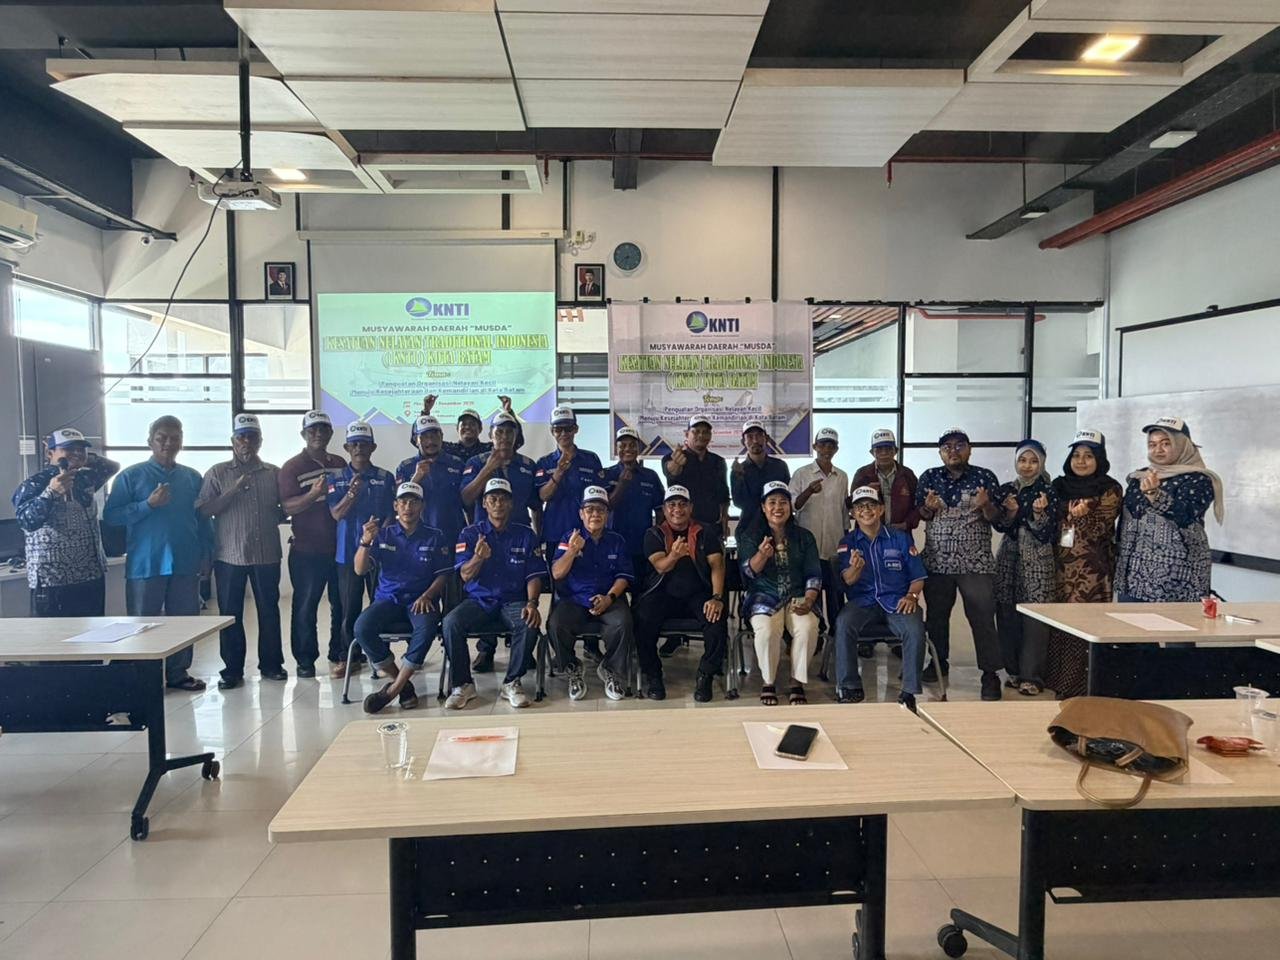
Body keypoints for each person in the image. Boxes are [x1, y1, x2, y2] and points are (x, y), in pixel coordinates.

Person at [104, 415, 212, 691]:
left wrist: (206, 554)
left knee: (184, 623)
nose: (168, 443)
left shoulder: (192, 477)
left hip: (185, 561)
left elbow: (202, 519)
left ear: (181, 442)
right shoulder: (130, 476)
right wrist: (148, 505)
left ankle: (178, 674)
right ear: (150, 441)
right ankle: (144, 679)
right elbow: (112, 516)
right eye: (161, 438)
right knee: (143, 624)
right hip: (146, 564)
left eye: (174, 438)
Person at [914, 428, 1005, 701]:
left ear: (969, 449)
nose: (953, 451)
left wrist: (986, 505)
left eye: (959, 446)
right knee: (937, 618)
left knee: (982, 618)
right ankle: (938, 663)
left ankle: (990, 675)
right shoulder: (929, 477)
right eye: (947, 447)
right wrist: (928, 508)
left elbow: (997, 519)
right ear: (940, 452)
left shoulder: (985, 477)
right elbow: (922, 514)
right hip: (938, 562)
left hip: (975, 563)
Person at [197, 414, 286, 689]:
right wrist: (233, 490)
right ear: (233, 441)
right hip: (229, 556)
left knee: (269, 611)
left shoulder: (273, 473)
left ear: (260, 441)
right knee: (230, 614)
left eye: (252, 436)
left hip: (266, 554)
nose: (246, 441)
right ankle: (232, 670)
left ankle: (271, 665)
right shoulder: (217, 473)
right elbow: (204, 510)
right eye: (241, 437)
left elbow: (284, 510)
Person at [443, 478, 545, 710]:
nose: (498, 503)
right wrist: (478, 558)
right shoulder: (470, 534)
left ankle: (512, 682)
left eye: (503, 499)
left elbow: (534, 575)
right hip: (479, 600)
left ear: (511, 504)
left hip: (513, 601)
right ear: (484, 504)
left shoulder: (526, 534)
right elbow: (464, 575)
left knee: (528, 622)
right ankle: (463, 684)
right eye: (492, 499)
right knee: (450, 623)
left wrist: (532, 603)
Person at [354, 482, 453, 714]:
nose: (408, 507)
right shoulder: (383, 535)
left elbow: (443, 575)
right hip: (388, 599)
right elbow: (359, 569)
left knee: (426, 629)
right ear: (395, 506)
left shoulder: (435, 536)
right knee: (361, 627)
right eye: (403, 502)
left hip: (421, 600)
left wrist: (428, 595)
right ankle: (402, 685)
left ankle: (391, 691)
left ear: (422, 506)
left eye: (414, 502)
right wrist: (365, 541)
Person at [1043, 429, 1123, 699]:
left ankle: (1081, 687)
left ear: (1099, 459)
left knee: (1084, 626)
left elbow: (1101, 528)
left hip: (1092, 571)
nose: (1081, 461)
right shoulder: (1059, 486)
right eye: (1076, 455)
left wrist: (1083, 515)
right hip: (1059, 567)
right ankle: (1058, 682)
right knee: (1059, 624)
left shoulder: (1110, 488)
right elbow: (1049, 523)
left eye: (1089, 456)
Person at [460, 411, 540, 673]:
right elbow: (466, 498)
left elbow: (535, 504)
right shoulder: (476, 461)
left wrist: (538, 536)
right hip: (486, 537)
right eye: (499, 431)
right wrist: (488, 469)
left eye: (509, 431)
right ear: (490, 435)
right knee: (487, 588)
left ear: (517, 435)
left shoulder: (527, 464)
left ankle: (522, 649)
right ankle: (486, 650)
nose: (504, 436)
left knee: (516, 592)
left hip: (519, 536)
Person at [632, 485, 729, 702]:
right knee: (642, 618)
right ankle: (653, 675)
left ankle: (705, 674)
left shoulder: (705, 532)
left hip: (697, 594)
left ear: (691, 507)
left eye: (683, 504)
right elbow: (660, 566)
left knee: (716, 618)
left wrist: (716, 598)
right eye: (672, 505)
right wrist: (674, 556)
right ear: (664, 509)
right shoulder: (654, 534)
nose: (677, 509)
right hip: (661, 594)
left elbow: (717, 565)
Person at [834, 486, 927, 710]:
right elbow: (848, 580)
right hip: (863, 603)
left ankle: (909, 691)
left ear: (881, 509)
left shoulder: (900, 539)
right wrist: (856, 568)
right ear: (853, 514)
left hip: (898, 601)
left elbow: (918, 577)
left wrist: (912, 596)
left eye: (871, 505)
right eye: (859, 507)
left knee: (914, 628)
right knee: (844, 623)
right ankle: (849, 685)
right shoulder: (848, 542)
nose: (866, 511)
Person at [12, 427, 119, 616]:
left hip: (90, 575)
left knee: (94, 632)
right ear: (50, 453)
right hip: (53, 580)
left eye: (81, 449)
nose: (76, 453)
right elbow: (26, 521)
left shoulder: (85, 478)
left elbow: (111, 466)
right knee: (54, 634)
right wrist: (50, 493)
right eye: (68, 449)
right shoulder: (34, 484)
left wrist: (83, 459)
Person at [1115, 416, 1223, 603]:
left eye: (1166, 443)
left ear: (1182, 445)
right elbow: (1126, 519)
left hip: (1176, 580)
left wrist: (1155, 495)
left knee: (1170, 623)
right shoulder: (1139, 477)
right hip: (1132, 577)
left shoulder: (1198, 479)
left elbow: (1185, 515)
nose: (1158, 450)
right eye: (1152, 444)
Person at [739, 481, 821, 706]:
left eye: (783, 502)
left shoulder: (804, 537)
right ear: (763, 507)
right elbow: (747, 572)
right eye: (772, 502)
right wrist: (762, 556)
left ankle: (797, 682)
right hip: (763, 597)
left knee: (807, 626)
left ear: (790, 506)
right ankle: (768, 682)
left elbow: (813, 573)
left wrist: (809, 600)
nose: (778, 507)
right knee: (766, 630)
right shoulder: (750, 536)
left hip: (798, 596)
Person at [548, 486, 634, 701]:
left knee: (623, 623)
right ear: (581, 514)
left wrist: (609, 598)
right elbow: (557, 573)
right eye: (590, 509)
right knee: (556, 624)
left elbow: (624, 576)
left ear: (607, 514)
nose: (595, 514)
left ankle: (611, 670)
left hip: (609, 598)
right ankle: (572, 667)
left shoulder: (617, 540)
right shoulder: (569, 537)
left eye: (601, 510)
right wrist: (572, 551)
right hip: (575, 599)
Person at [279, 410, 347, 678]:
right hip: (307, 551)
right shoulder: (292, 467)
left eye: (323, 429)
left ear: (330, 433)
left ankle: (339, 652)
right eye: (312, 430)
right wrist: (313, 494)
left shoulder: (340, 462)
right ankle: (305, 660)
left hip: (339, 549)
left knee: (341, 604)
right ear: (303, 434)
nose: (318, 434)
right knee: (306, 606)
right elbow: (287, 507)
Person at [327, 421, 396, 677]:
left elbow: (392, 513)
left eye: (364, 444)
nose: (359, 449)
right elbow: (336, 514)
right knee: (349, 608)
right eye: (354, 444)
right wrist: (352, 494)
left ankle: (382, 657)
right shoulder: (335, 478)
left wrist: (380, 535)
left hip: (379, 554)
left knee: (381, 605)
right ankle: (350, 658)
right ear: (346, 447)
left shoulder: (385, 477)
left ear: (373, 447)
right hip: (347, 554)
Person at [991, 440, 1058, 697]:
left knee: (1035, 620)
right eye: (1022, 460)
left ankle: (1032, 677)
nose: (1027, 466)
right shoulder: (1008, 490)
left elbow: (1048, 532)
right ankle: (1014, 671)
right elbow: (1000, 525)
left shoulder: (1049, 491)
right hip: (1008, 557)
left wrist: (1038, 515)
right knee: (1006, 614)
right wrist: (1011, 512)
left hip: (1037, 559)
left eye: (1033, 461)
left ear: (1041, 463)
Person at [789, 427, 849, 634]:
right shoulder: (801, 473)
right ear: (815, 447)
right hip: (808, 547)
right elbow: (793, 506)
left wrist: (845, 540)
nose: (827, 449)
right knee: (810, 590)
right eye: (823, 445)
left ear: (836, 449)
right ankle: (816, 632)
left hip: (834, 544)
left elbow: (843, 511)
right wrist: (808, 491)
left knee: (835, 592)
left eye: (831, 445)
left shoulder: (842, 476)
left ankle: (837, 633)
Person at [535, 404, 604, 556]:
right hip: (555, 533)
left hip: (587, 532)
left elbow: (600, 498)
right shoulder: (544, 462)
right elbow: (543, 496)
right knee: (557, 571)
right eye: (558, 429)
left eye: (568, 429)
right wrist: (559, 471)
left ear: (576, 429)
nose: (563, 433)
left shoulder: (591, 459)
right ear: (552, 431)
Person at [396, 415, 466, 553]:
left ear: (442, 437)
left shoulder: (457, 464)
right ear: (416, 440)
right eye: (424, 437)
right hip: (418, 537)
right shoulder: (405, 467)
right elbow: (400, 504)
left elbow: (467, 500)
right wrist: (416, 478)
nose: (430, 441)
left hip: (452, 535)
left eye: (435, 436)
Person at [603, 426, 665, 574]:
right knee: (615, 585)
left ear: (639, 449)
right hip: (613, 545)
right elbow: (605, 508)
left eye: (632, 445)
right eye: (622, 445)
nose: (627, 449)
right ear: (616, 449)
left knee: (641, 586)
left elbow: (660, 510)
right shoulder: (607, 474)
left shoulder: (651, 476)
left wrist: (657, 538)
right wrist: (621, 485)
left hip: (642, 546)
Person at [661, 415, 729, 537]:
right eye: (696, 431)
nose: (701, 435)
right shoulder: (672, 458)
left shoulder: (718, 461)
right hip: (682, 529)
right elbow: (671, 471)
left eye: (705, 432)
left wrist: (725, 519)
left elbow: (724, 495)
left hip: (712, 528)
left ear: (710, 435)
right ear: (687, 434)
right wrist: (676, 463)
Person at [850, 429, 920, 533]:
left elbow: (918, 504)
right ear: (872, 453)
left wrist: (906, 524)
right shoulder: (862, 474)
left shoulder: (907, 474)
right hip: (868, 534)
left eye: (888, 449)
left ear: (895, 451)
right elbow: (851, 505)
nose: (884, 453)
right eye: (879, 450)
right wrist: (864, 492)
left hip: (901, 534)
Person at [731, 420, 790, 538]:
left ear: (766, 438)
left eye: (759, 436)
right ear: (743, 442)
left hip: (778, 528)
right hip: (748, 529)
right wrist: (739, 479)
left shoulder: (780, 466)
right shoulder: (738, 469)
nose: (755, 441)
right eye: (750, 437)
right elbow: (738, 502)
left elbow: (787, 500)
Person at [420, 394, 524, 459]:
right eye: (464, 424)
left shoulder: (489, 449)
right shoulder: (447, 449)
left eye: (472, 424)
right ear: (457, 428)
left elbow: (517, 442)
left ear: (480, 429)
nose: (468, 427)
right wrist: (425, 412)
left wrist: (508, 412)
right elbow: (422, 443)